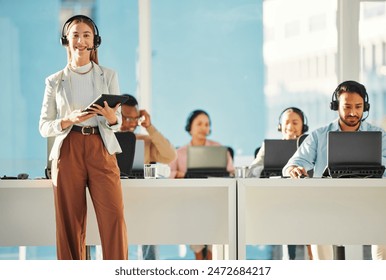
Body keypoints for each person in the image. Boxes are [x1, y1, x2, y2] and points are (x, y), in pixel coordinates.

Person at [39, 15, 128, 260]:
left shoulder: (108, 75)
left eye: (86, 35)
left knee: (114, 218)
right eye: (75, 35)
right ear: (66, 41)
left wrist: (111, 117)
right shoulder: (54, 81)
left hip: (101, 147)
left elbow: (117, 123)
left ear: (94, 41)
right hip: (68, 150)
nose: (80, 40)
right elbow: (44, 127)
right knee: (70, 223)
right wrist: (68, 120)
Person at [282, 80, 386, 260]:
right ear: (336, 106)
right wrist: (294, 168)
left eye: (358, 106)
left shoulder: (380, 136)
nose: (353, 112)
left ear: (365, 107)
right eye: (347, 107)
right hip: (328, 203)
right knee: (316, 226)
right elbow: (293, 164)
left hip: (370, 202)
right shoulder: (319, 135)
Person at [248, 107, 313, 260]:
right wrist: (262, 173)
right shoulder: (268, 147)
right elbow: (253, 170)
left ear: (303, 126)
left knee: (311, 227)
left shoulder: (310, 145)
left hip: (307, 197)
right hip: (280, 197)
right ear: (280, 126)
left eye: (295, 122)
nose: (290, 126)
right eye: (287, 122)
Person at [169, 109, 234, 260]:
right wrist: (183, 175)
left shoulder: (218, 149)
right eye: (199, 124)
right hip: (190, 201)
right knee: (193, 213)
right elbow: (169, 174)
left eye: (207, 124)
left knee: (216, 215)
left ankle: (211, 255)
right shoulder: (179, 152)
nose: (204, 128)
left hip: (214, 200)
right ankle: (199, 256)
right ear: (189, 127)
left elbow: (231, 173)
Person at [120, 94, 177, 260]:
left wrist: (149, 127)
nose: (131, 124)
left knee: (149, 225)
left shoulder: (144, 140)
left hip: (141, 200)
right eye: (126, 118)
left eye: (134, 119)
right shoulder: (105, 140)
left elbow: (170, 156)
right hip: (114, 196)